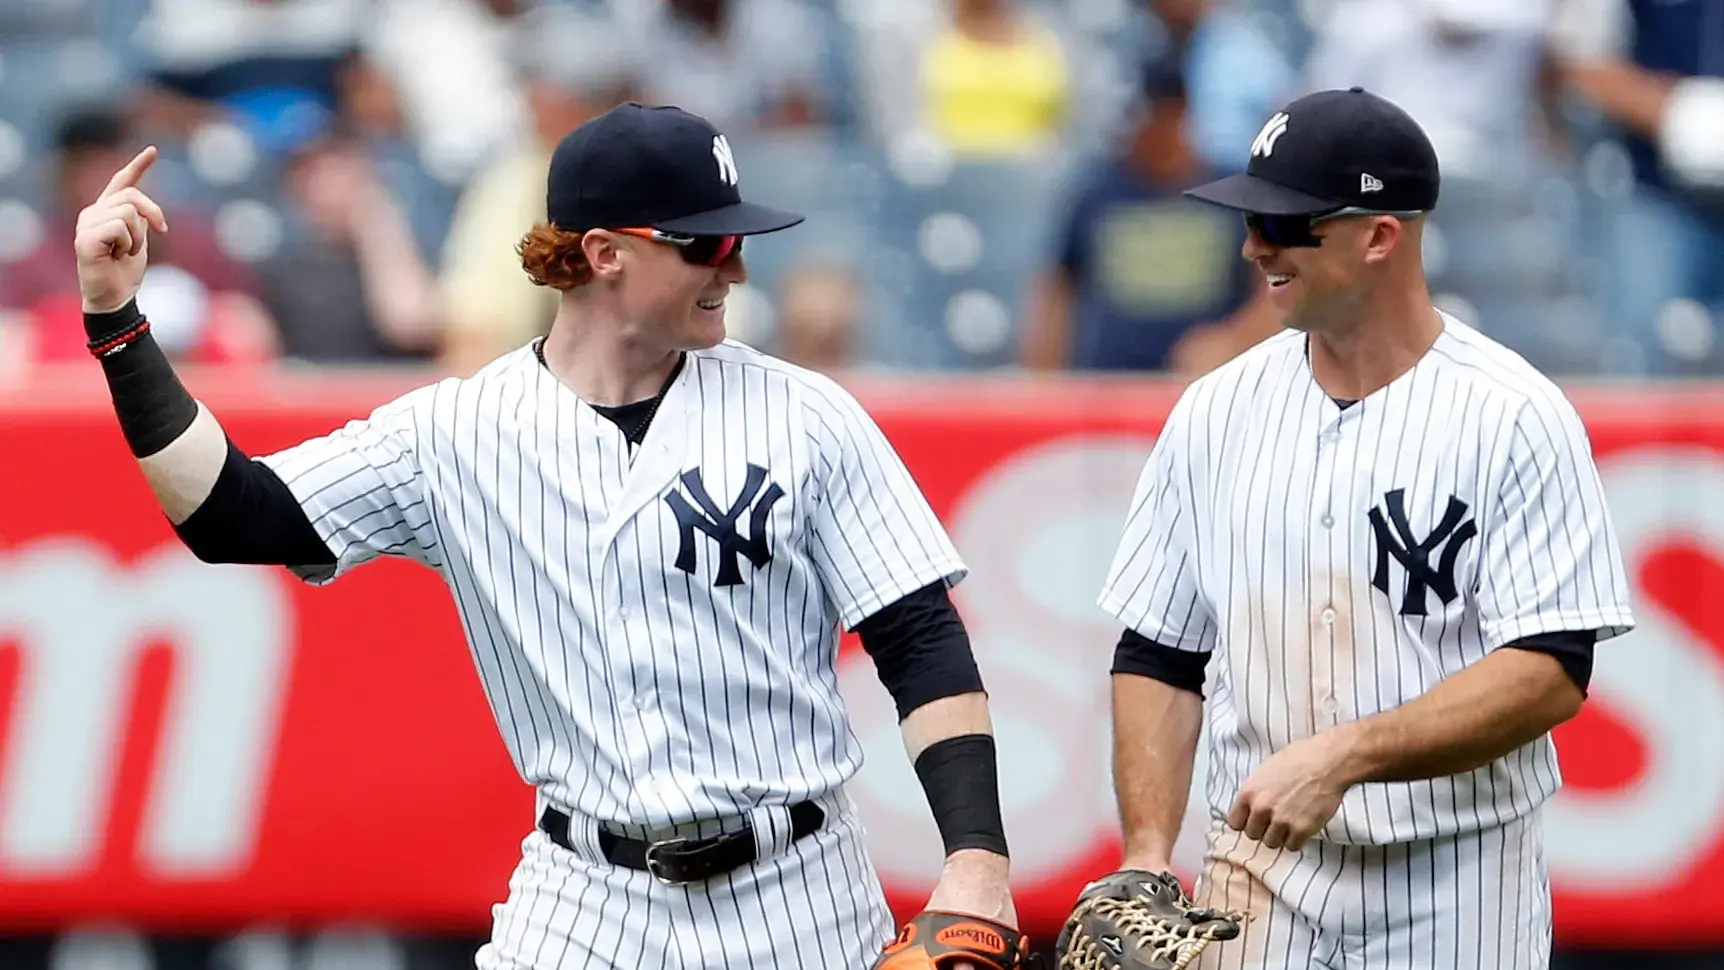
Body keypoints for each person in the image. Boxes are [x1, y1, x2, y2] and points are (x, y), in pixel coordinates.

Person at [70, 102, 1018, 969]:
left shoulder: (807, 414)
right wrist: (119, 325)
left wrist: (976, 861)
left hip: (800, 891)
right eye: (706, 243)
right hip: (582, 899)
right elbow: (231, 515)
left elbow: (921, 639)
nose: (735, 265)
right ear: (605, 253)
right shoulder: (454, 431)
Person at [1088, 88, 1634, 968]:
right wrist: (1147, 854)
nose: (1253, 245)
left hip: (1458, 877)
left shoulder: (1516, 414)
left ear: (1380, 236)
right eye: (1251, 218)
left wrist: (1346, 755)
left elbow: (1551, 671)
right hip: (1257, 879)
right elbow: (1158, 652)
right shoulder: (1213, 413)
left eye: (1285, 224)